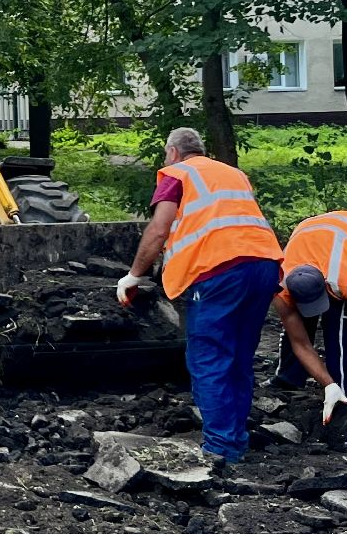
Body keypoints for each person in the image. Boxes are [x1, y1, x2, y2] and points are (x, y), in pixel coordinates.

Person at [116, 127, 283, 464]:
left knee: (209, 358)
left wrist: (134, 275)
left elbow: (159, 229)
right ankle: (235, 441)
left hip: (219, 271)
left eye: (166, 155)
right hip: (265, 264)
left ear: (174, 153)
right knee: (238, 357)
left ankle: (220, 450)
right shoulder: (233, 174)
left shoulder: (176, 174)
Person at [272, 210, 347, 422]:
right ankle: (290, 378)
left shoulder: (345, 279)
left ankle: (345, 390)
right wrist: (327, 384)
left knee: (337, 312)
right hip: (311, 235)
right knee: (297, 322)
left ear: (324, 284)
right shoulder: (279, 288)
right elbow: (300, 343)